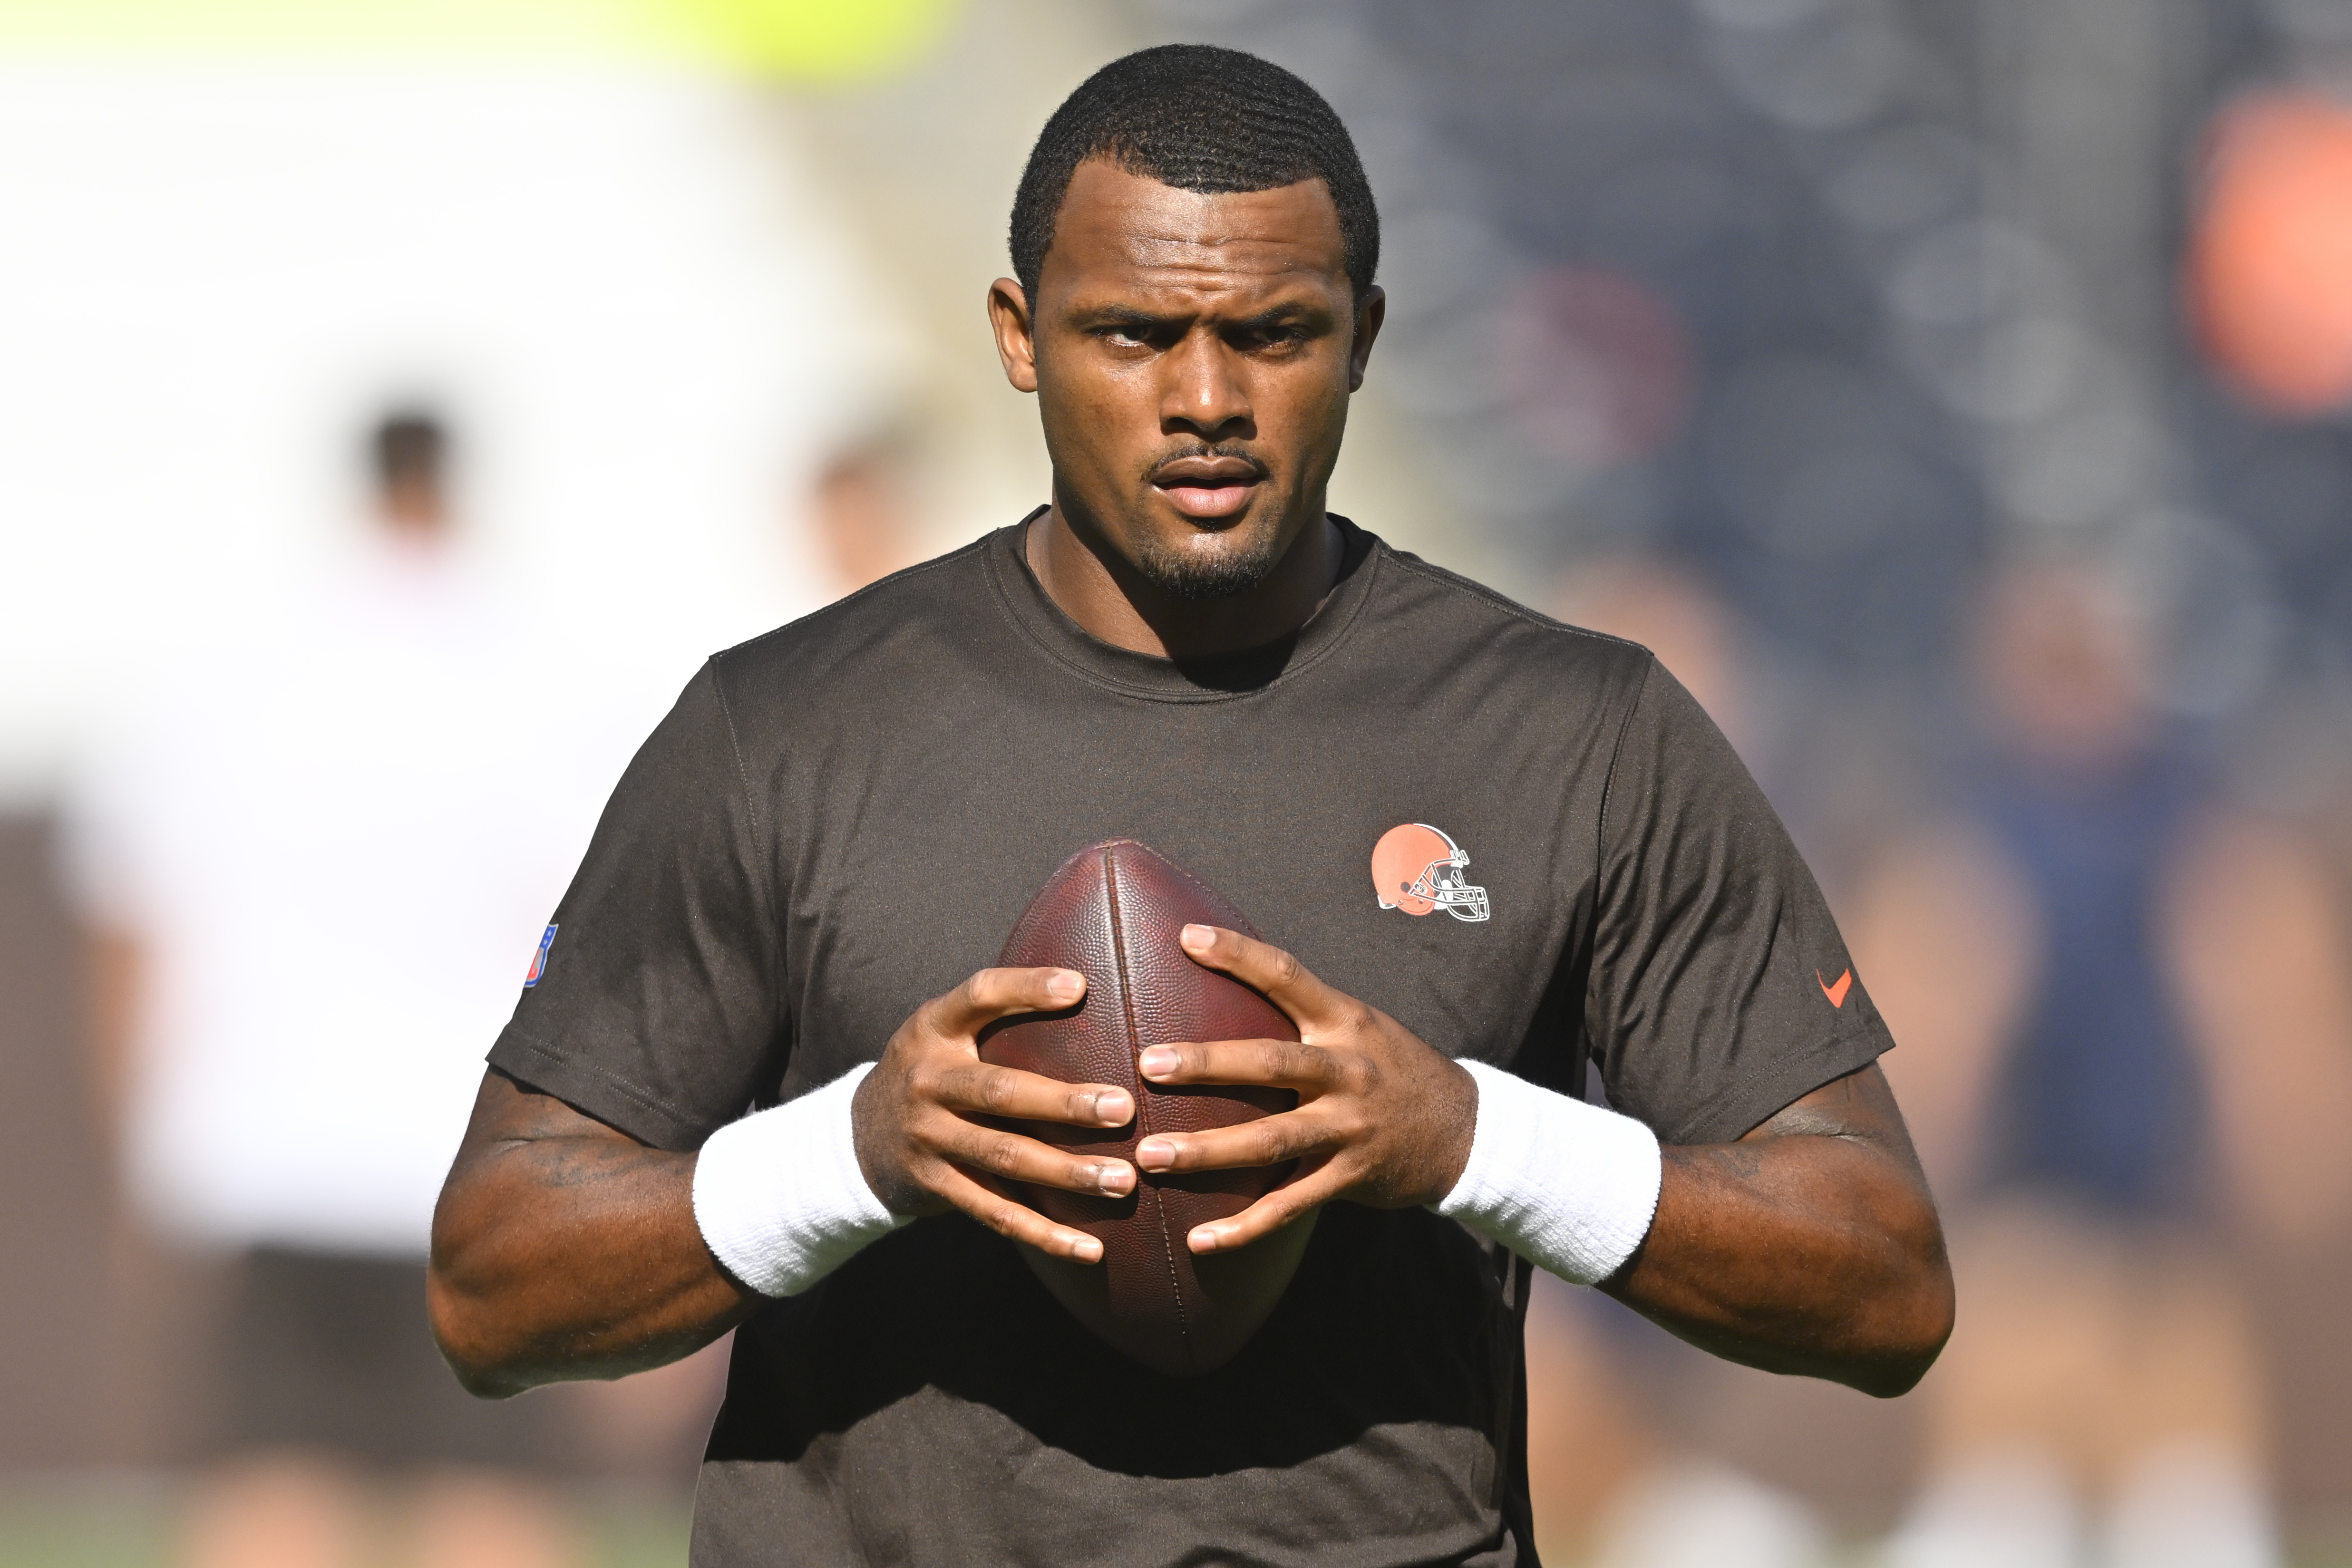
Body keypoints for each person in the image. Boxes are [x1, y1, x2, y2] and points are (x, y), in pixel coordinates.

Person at [428, 46, 1953, 1566]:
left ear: (1363, 336)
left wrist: (1467, 1140)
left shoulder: (1573, 728)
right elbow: (495, 1290)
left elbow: (1881, 1283)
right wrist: (863, 1149)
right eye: (1136, 333)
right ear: (1021, 337)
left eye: (1275, 334)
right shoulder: (783, 729)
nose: (1207, 399)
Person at [75, 411, 588, 1568]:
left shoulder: (235, 665)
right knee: (490, 1494)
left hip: (266, 1151)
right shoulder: (528, 667)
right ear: (452, 485)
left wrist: (136, 1150)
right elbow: (582, 938)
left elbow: (135, 924)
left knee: (267, 1484)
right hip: (466, 1158)